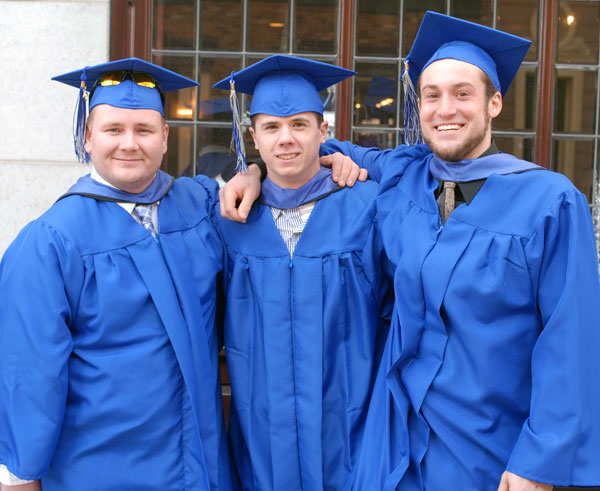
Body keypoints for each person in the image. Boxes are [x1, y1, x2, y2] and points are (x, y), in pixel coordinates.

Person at [317, 11, 600, 491]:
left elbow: (570, 338)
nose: (445, 108)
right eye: (432, 96)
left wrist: (541, 461)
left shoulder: (550, 201)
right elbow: (312, 150)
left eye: (462, 94)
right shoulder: (405, 176)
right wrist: (256, 173)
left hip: (491, 450)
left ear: (494, 103)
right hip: (396, 448)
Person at [0, 58, 236, 490]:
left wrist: (256, 173)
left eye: (144, 130)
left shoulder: (197, 204)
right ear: (87, 137)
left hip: (199, 464)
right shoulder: (51, 241)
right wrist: (20, 476)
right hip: (101, 469)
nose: (129, 144)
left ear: (165, 138)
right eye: (113, 130)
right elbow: (29, 373)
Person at [212, 55, 393, 490]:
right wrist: (250, 176)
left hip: (350, 430)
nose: (285, 139)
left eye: (299, 125)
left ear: (324, 132)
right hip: (260, 434)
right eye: (272, 127)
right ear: (254, 137)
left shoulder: (367, 207)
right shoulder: (229, 218)